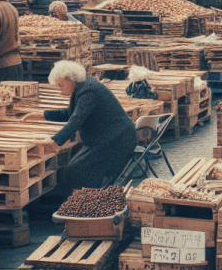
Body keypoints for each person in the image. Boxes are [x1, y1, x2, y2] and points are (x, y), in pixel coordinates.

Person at [25, 61, 138, 189]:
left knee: (76, 171)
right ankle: (87, 196)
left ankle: (88, 199)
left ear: (70, 80)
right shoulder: (82, 87)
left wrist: (55, 140)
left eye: (61, 85)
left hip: (116, 140)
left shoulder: (88, 91)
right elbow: (71, 113)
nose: (59, 89)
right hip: (106, 138)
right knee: (74, 169)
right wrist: (42, 115)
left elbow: (76, 119)